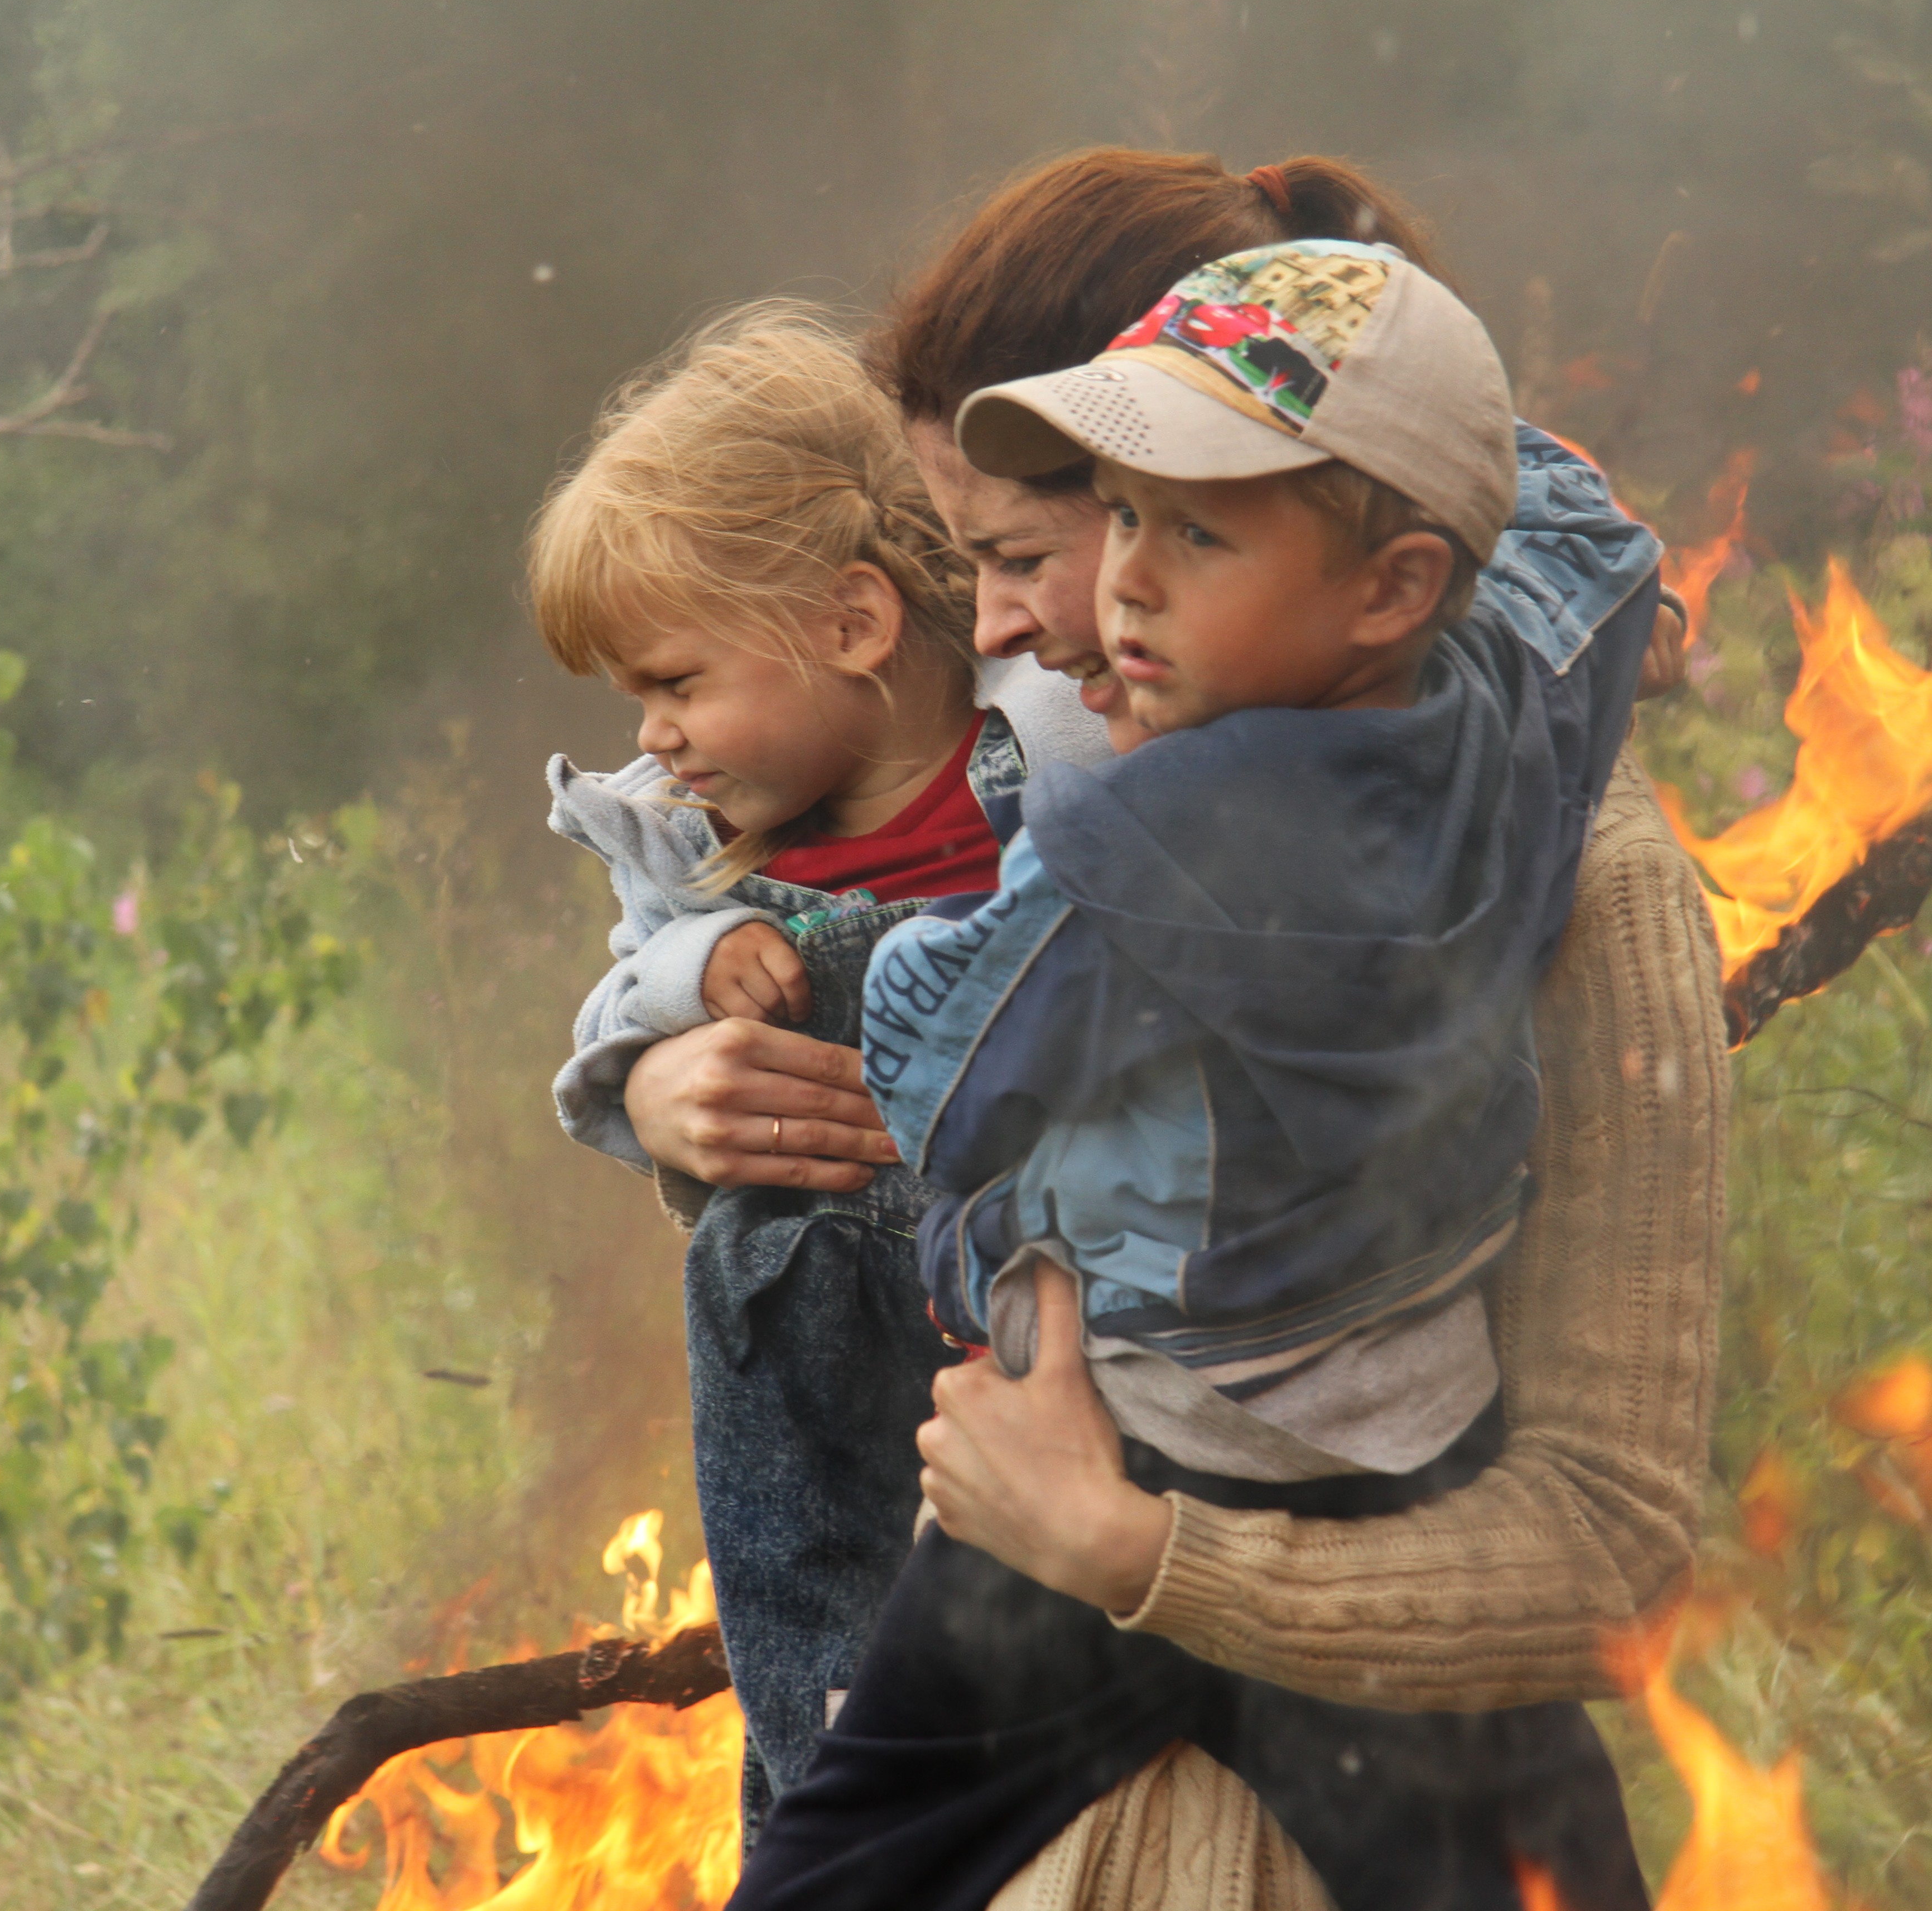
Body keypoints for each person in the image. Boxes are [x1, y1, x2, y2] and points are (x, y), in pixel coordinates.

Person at [618, 148, 1727, 1907]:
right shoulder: (1009, 797)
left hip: (1321, 1785)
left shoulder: (1584, 887)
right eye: (951, 561)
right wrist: (669, 1078)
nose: (989, 627)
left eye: (1019, 555)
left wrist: (1138, 1553)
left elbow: (1608, 1545)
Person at [527, 302, 1112, 1830]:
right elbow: (619, 1011)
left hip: (1063, 1294)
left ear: (855, 626)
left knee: (1049, 1677)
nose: (657, 741)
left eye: (676, 682)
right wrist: (662, 1056)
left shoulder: (1049, 740)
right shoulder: (699, 860)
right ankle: (832, 1794)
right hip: (823, 1343)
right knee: (832, 1658)